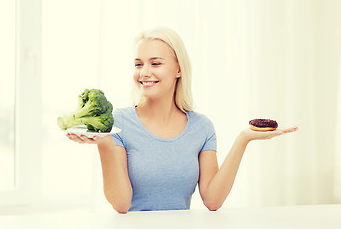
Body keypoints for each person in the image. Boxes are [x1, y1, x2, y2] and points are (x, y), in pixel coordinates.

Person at [67, 27, 298, 213]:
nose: (144, 72)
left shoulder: (202, 127)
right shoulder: (120, 122)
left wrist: (243, 140)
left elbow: (212, 200)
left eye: (155, 63)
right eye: (139, 64)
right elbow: (121, 204)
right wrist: (105, 143)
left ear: (178, 69)